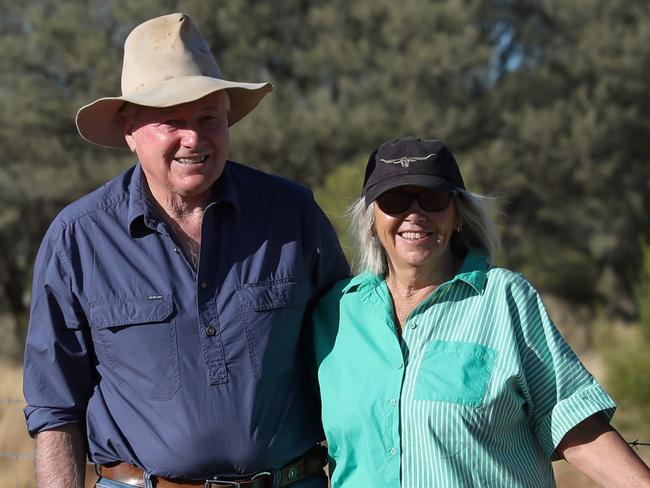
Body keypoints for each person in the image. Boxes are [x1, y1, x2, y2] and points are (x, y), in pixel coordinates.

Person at [23, 13, 349, 488]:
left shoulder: (291, 214)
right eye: (171, 121)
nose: (193, 139)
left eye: (208, 119)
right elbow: (54, 408)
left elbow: (352, 355)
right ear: (130, 130)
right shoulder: (80, 238)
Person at [311, 136, 650, 487]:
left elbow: (576, 428)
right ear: (371, 218)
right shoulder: (334, 314)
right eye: (395, 200)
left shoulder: (504, 299)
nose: (415, 214)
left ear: (457, 214)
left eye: (432, 198)